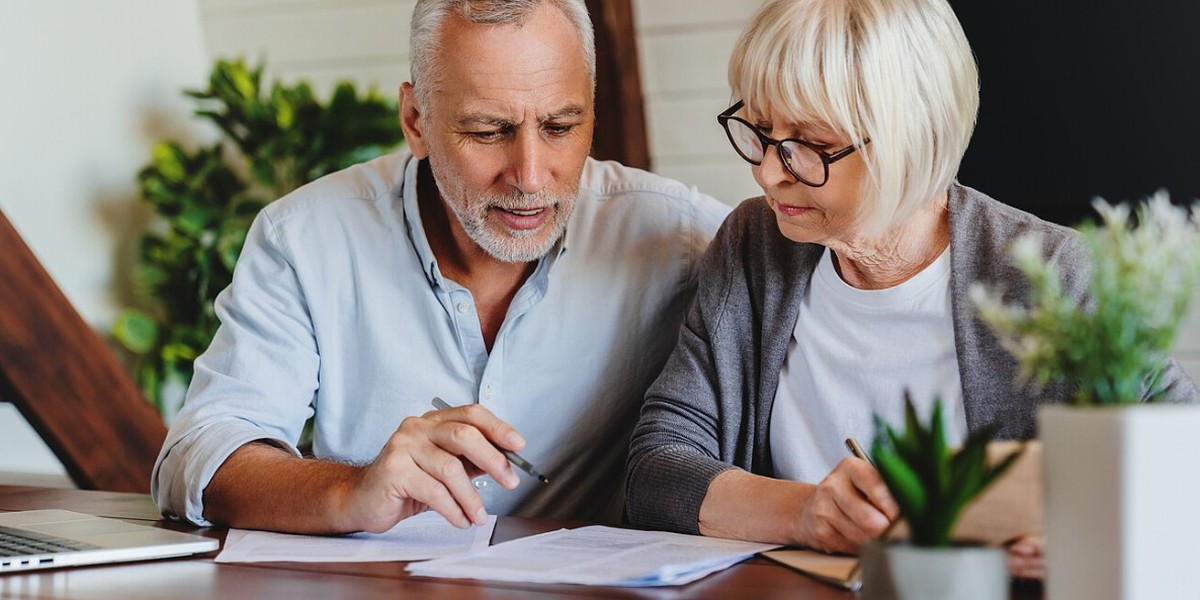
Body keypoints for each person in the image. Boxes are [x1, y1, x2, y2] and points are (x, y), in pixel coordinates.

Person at [624, 0, 1197, 582]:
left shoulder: (1052, 274)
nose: (769, 172)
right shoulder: (754, 245)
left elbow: (1183, 470)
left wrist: (1083, 526)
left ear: (909, 138)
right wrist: (805, 512)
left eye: (809, 145)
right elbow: (655, 470)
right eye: (763, 133)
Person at [152, 0, 729, 535]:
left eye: (560, 127)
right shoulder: (305, 238)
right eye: (487, 131)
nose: (530, 177)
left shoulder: (678, 237)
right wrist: (352, 490)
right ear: (415, 121)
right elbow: (198, 454)